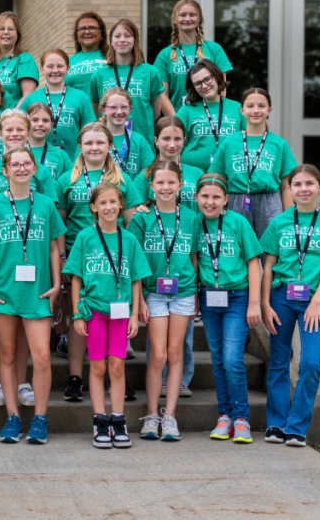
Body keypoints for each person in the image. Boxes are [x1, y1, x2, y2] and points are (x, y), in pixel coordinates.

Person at [0, 146, 64, 444]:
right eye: (15, 164)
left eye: (27, 163)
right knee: (9, 354)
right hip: (3, 291)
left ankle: (40, 418)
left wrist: (55, 283)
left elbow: (53, 247)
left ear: (35, 168)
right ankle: (12, 416)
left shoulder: (46, 204)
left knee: (41, 355)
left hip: (37, 292)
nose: (21, 168)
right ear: (5, 170)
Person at [0, 110, 58, 409]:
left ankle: (23, 383)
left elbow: (51, 225)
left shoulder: (42, 174)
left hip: (35, 270)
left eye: (21, 128)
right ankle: (5, 382)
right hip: (4, 265)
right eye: (9, 129)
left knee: (32, 338)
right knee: (5, 335)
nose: (15, 133)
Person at [261, 164, 320, 447]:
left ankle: (297, 426)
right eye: (297, 184)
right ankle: (276, 423)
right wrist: (264, 303)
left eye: (310, 183)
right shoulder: (279, 222)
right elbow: (269, 266)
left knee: (310, 364)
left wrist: (317, 301)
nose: (303, 189)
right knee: (278, 361)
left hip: (315, 300)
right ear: (289, 190)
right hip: (282, 298)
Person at [63, 182, 151, 449]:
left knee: (117, 366)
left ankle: (118, 419)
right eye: (102, 203)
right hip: (95, 312)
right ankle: (100, 420)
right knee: (98, 366)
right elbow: (76, 278)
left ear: (121, 204)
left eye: (113, 202)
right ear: (93, 207)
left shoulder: (130, 239)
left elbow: (136, 280)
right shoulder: (85, 237)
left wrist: (135, 313)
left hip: (121, 313)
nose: (108, 207)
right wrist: (77, 314)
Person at [55, 123, 137, 403]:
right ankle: (76, 377)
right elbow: (59, 222)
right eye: (88, 142)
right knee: (81, 316)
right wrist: (63, 256)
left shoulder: (123, 180)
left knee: (114, 317)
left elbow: (132, 223)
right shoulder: (68, 178)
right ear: (79, 146)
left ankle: (118, 378)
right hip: (80, 258)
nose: (94, 147)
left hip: (114, 262)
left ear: (110, 146)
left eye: (100, 143)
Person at [128, 161, 201, 442]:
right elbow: (133, 263)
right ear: (151, 186)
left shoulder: (191, 218)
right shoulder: (141, 218)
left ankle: (170, 416)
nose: (166, 187)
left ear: (181, 185)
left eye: (171, 182)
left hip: (182, 292)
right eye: (160, 183)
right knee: (157, 355)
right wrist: (140, 302)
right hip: (154, 293)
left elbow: (194, 257)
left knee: (175, 353)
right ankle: (151, 415)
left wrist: (194, 293)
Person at [194, 173, 263, 444]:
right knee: (218, 358)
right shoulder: (193, 223)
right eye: (204, 196)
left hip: (237, 298)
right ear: (196, 198)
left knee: (233, 359)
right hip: (209, 299)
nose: (210, 202)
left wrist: (254, 302)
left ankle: (242, 418)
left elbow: (254, 263)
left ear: (226, 200)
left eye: (215, 197)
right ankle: (224, 416)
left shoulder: (238, 222)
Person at [209, 87, 297, 240]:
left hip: (270, 200)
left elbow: (286, 185)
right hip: (237, 199)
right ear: (242, 110)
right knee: (238, 248)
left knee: (272, 250)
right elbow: (216, 180)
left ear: (269, 110)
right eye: (250, 106)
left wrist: (289, 217)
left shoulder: (279, 144)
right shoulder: (229, 143)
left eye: (261, 106)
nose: (256, 110)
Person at [90, 19, 171, 145]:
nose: (122, 39)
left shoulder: (151, 72)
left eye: (127, 35)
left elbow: (155, 114)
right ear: (111, 41)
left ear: (135, 40)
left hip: (142, 141)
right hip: (108, 143)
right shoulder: (99, 75)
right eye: (117, 36)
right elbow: (97, 112)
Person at [154, 0, 233, 110]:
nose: (187, 18)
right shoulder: (164, 55)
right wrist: (177, 122)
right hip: (179, 119)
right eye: (182, 15)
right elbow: (162, 96)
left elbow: (222, 88)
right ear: (175, 19)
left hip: (208, 119)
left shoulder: (214, 49)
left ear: (199, 18)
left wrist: (214, 115)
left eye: (192, 14)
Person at [18, 49, 96, 156]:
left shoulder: (81, 97)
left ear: (68, 68)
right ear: (41, 69)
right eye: (50, 66)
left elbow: (90, 130)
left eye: (60, 66)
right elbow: (19, 128)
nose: (55, 70)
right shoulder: (31, 99)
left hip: (74, 158)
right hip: (35, 159)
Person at [176, 59, 246, 172]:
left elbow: (250, 142)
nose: (204, 86)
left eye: (207, 79)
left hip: (231, 174)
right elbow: (172, 143)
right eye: (198, 83)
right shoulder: (187, 110)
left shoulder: (238, 108)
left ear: (217, 76)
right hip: (193, 176)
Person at [131, 117, 204, 214]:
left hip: (191, 228)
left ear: (184, 141)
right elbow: (137, 215)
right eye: (166, 139)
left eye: (177, 139)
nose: (172, 145)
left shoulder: (197, 173)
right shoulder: (143, 177)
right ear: (156, 140)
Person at [85, 88, 155, 179]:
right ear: (103, 110)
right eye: (113, 107)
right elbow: (79, 170)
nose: (119, 112)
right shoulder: (90, 138)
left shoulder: (139, 141)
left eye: (124, 107)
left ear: (130, 109)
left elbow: (149, 174)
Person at [0, 12, 39, 108]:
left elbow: (28, 94)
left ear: (17, 35)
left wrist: (13, 116)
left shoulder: (24, 59)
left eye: (11, 29)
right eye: (1, 28)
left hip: (14, 119)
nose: (6, 32)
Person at [24, 103, 73, 181]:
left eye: (45, 120)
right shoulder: (16, 152)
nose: (40, 124)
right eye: (34, 120)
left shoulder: (61, 155)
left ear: (51, 125)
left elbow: (71, 181)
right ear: (26, 123)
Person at [67, 11, 110, 97]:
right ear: (76, 36)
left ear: (102, 34)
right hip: (76, 109)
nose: (87, 32)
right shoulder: (67, 62)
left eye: (92, 28)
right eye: (82, 28)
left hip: (105, 109)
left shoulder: (111, 57)